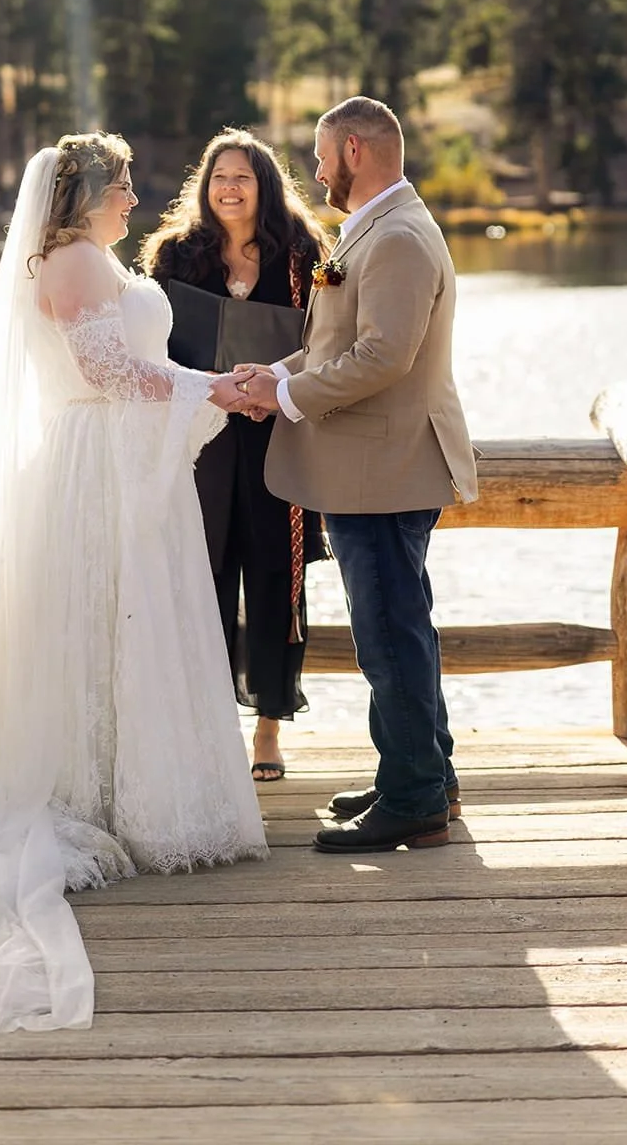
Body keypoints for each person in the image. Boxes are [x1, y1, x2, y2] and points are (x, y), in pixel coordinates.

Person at [0, 132, 267, 1034]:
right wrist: (215, 390)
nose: (133, 197)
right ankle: (89, 795)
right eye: (121, 185)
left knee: (127, 621)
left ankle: (129, 789)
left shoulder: (89, 257)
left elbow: (124, 367)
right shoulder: (77, 261)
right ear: (83, 195)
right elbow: (104, 371)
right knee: (94, 621)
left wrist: (212, 388)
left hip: (122, 461)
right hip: (94, 465)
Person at [239, 96, 478, 852]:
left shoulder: (399, 236)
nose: (313, 172)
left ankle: (414, 799)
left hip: (386, 467)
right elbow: (332, 340)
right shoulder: (375, 229)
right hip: (376, 465)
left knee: (388, 633)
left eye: (318, 156)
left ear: (351, 149)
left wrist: (284, 399)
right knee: (402, 626)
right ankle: (422, 776)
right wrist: (269, 374)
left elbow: (382, 357)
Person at [141, 130, 327, 782]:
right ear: (203, 183)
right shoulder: (173, 256)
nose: (229, 187)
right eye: (219, 176)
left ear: (265, 185)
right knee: (203, 575)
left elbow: (329, 341)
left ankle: (268, 731)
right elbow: (149, 349)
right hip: (201, 441)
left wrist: (267, 392)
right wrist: (214, 393)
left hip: (282, 434)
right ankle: (208, 730)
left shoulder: (303, 255)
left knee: (279, 577)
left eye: (243, 177)